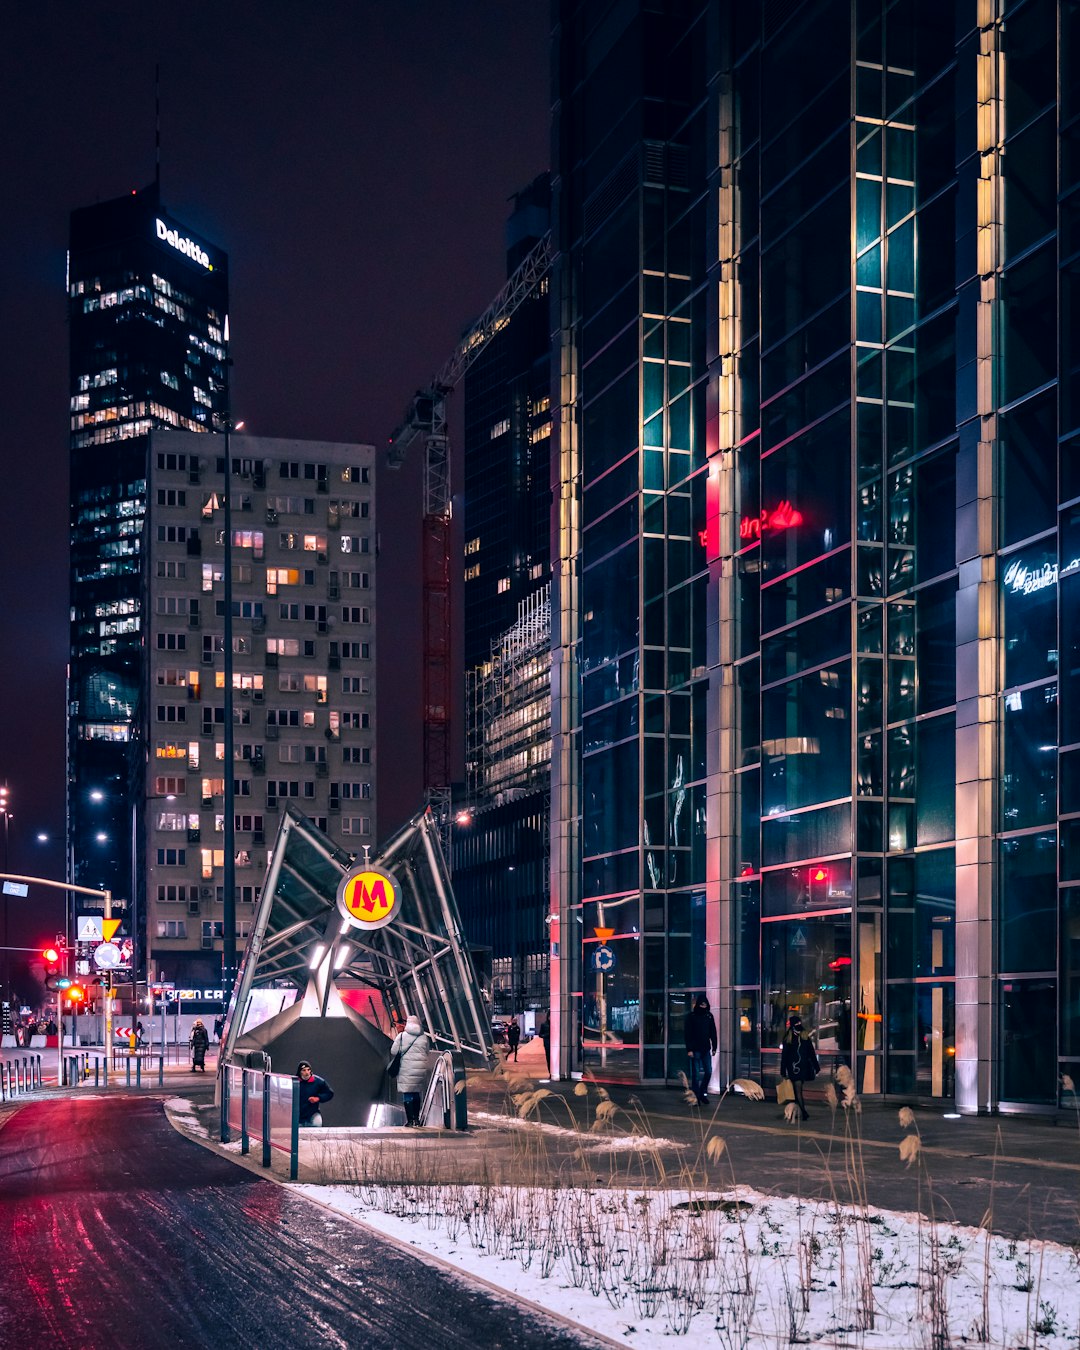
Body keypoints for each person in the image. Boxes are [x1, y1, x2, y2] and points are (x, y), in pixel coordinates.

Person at [389, 1013, 431, 1126]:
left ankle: (410, 1120)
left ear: (407, 1024)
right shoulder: (424, 1037)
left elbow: (393, 1051)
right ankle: (416, 1119)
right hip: (419, 1070)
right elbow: (427, 1052)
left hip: (405, 1070)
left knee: (407, 1094)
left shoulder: (402, 1036)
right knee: (416, 1094)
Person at [780, 1015, 819, 1121]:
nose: (798, 1025)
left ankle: (801, 1111)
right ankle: (802, 1111)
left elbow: (811, 1052)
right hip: (792, 1068)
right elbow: (785, 1056)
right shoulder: (788, 1038)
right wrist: (783, 1070)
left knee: (798, 1089)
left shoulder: (805, 1036)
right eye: (796, 1024)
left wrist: (816, 1066)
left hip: (802, 1068)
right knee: (797, 1090)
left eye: (799, 1023)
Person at [684, 995, 718, 1105]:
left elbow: (713, 1032)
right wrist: (689, 1049)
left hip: (706, 1049)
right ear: (698, 1004)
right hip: (695, 1049)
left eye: (705, 1005)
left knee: (708, 1072)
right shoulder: (692, 1016)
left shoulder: (709, 1016)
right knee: (696, 1075)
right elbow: (688, 1034)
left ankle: (702, 1093)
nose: (703, 1007)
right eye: (702, 1004)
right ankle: (696, 1097)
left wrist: (714, 1047)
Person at [297, 1061, 334, 1127]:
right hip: (298, 1116)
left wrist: (318, 1098)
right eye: (304, 1070)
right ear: (300, 1072)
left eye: (308, 1070)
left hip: (313, 1114)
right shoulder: (295, 1082)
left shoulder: (318, 1082)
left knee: (317, 1124)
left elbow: (329, 1093)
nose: (307, 1072)